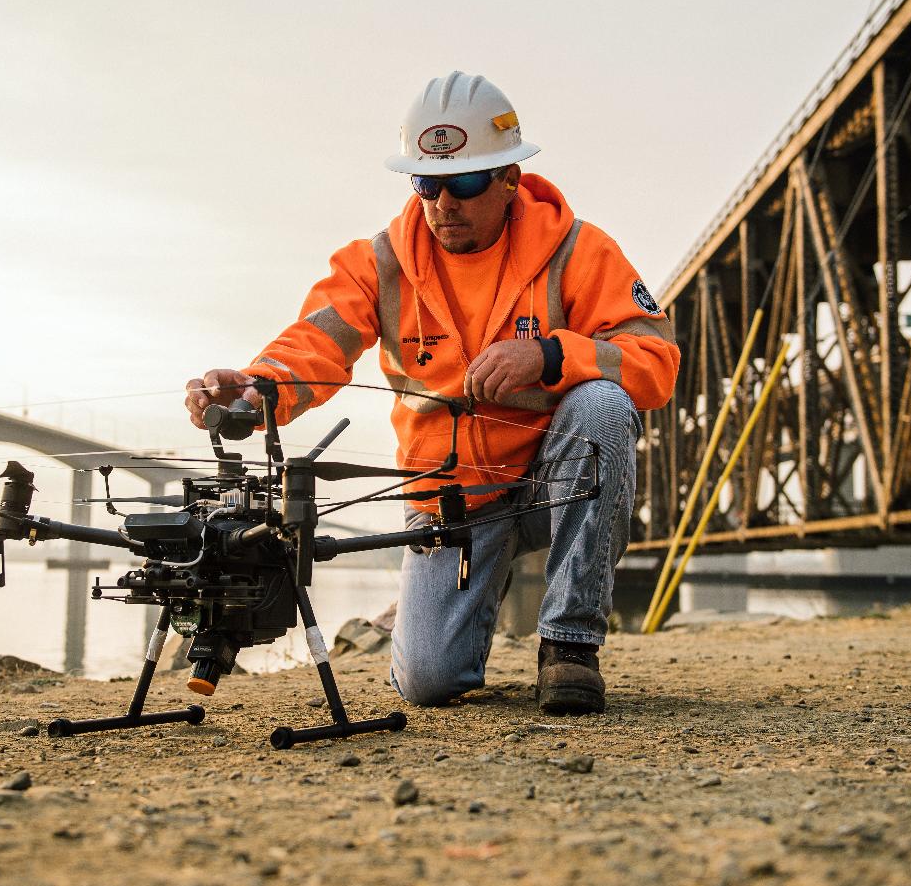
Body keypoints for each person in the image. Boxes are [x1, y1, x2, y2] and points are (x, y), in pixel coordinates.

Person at [185, 71, 678, 714]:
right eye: (426, 183)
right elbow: (317, 344)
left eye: (465, 183)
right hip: (450, 502)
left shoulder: (578, 251)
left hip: (548, 486)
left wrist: (553, 354)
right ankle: (473, 602)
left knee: (603, 405)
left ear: (509, 179)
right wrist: (255, 391)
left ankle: (569, 646)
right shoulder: (380, 263)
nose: (443, 203)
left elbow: (656, 361)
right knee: (429, 685)